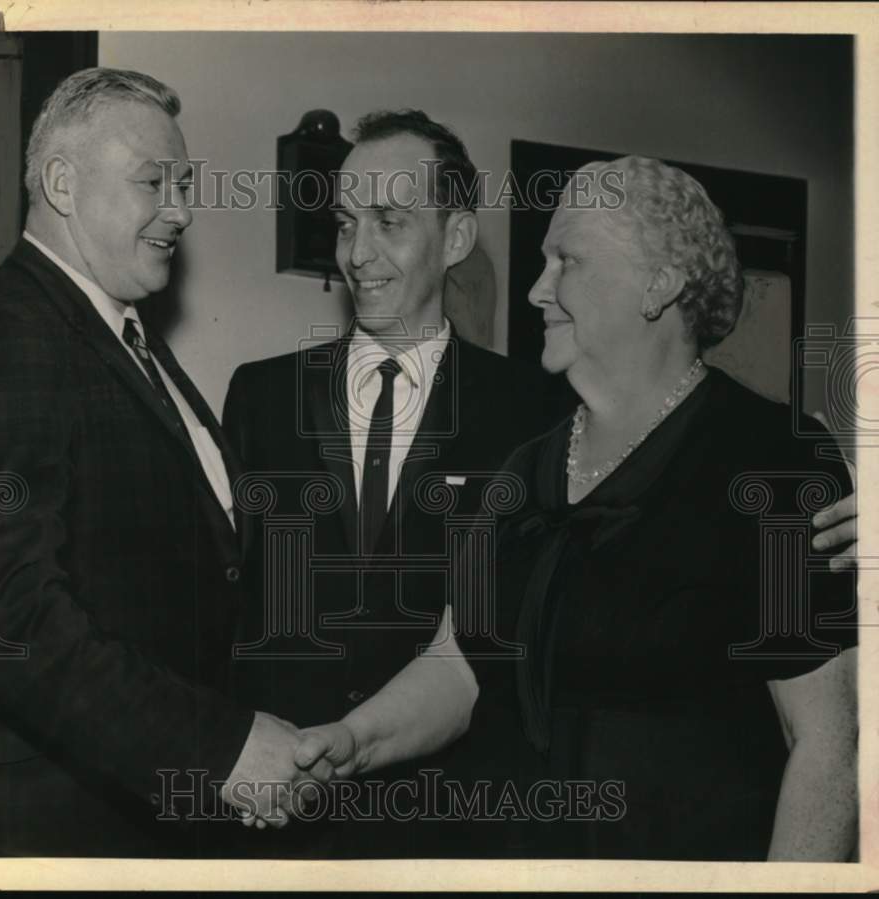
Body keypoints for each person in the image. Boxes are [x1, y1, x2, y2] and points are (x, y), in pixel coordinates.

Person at [294, 156, 859, 861]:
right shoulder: (526, 468)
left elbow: (829, 746)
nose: (537, 289)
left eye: (567, 261)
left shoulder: (772, 458)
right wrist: (354, 741)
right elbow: (461, 663)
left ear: (659, 283)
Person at [0, 67, 331, 858]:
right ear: (62, 184)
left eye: (185, 184)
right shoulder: (1, 335)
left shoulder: (119, 334)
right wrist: (217, 747)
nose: (183, 210)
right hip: (41, 832)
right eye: (153, 181)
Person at [222, 109, 573, 855]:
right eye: (347, 223)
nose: (358, 253)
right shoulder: (260, 396)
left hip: (452, 823)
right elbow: (227, 600)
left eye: (389, 222)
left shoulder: (535, 412)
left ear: (456, 237)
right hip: (278, 815)